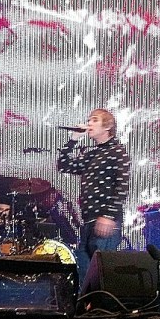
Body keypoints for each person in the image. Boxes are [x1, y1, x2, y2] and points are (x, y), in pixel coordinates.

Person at [57, 109, 131, 284]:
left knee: (102, 274)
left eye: (94, 120)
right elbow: (64, 165)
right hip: (88, 221)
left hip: (105, 220)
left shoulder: (117, 151)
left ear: (107, 126)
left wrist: (109, 216)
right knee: (85, 274)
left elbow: (122, 186)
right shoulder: (92, 154)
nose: (89, 123)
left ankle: (105, 301)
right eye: (89, 120)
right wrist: (73, 139)